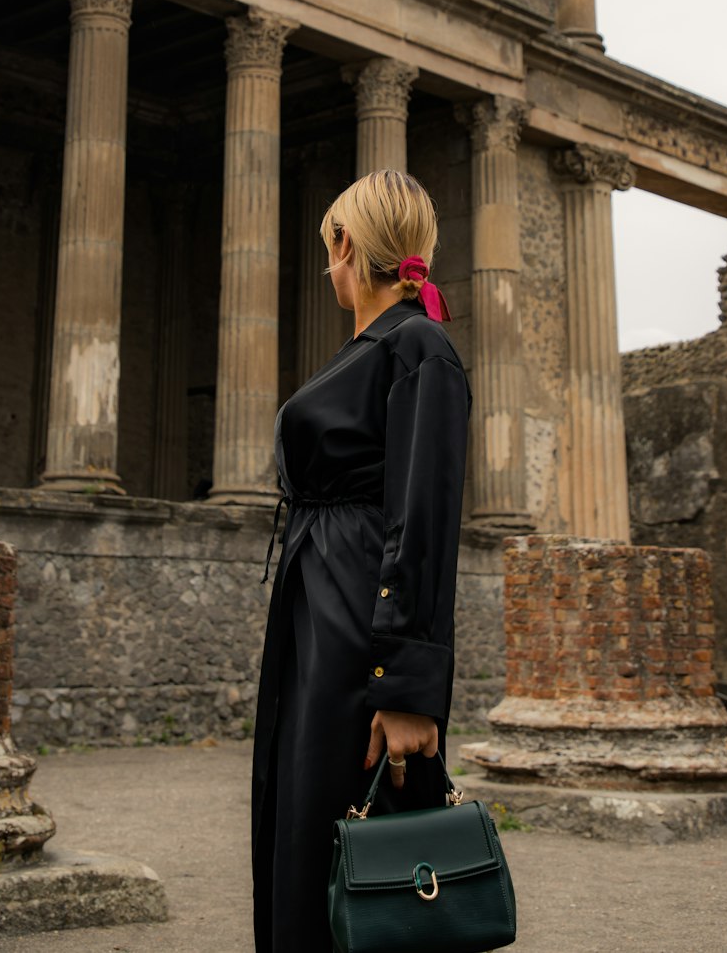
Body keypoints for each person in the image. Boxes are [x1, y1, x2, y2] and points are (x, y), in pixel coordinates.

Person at [251, 169, 472, 953]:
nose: (325, 268)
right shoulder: (373, 347)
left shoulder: (420, 344)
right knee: (305, 824)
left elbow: (426, 517)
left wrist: (409, 689)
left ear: (346, 243)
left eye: (328, 248)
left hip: (359, 635)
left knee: (353, 841)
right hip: (321, 617)